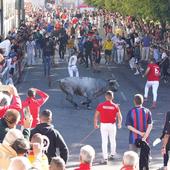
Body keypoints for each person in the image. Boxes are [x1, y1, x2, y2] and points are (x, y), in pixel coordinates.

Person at [94, 90, 122, 164]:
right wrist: (119, 123)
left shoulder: (101, 105)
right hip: (112, 125)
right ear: (112, 97)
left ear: (105, 97)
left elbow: (96, 115)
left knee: (104, 141)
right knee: (113, 140)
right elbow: (119, 116)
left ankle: (105, 159)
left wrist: (96, 124)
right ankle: (112, 154)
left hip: (103, 125)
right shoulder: (115, 106)